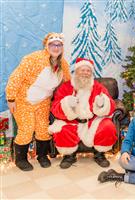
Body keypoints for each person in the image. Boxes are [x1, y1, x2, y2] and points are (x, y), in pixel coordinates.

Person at [6, 32, 70, 171]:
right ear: (46, 45)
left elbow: (68, 82)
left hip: (43, 102)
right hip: (23, 100)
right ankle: (21, 159)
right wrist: (11, 98)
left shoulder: (62, 64)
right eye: (53, 44)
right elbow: (16, 78)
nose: (56, 47)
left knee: (43, 129)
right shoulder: (33, 59)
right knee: (27, 129)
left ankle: (42, 156)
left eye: (59, 45)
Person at [48, 58, 117, 169]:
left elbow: (111, 104)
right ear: (76, 71)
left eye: (88, 71)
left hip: (93, 120)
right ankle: (69, 156)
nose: (85, 73)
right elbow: (55, 107)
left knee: (108, 127)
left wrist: (103, 102)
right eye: (82, 70)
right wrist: (66, 103)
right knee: (63, 130)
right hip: (71, 121)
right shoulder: (66, 87)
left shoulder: (98, 87)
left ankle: (99, 154)